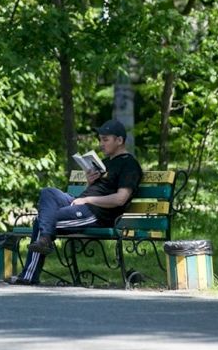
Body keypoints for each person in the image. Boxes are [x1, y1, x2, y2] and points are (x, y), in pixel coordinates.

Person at [9, 119, 142, 285]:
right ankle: (45, 239)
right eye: (100, 139)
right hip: (81, 205)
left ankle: (30, 272)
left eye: (105, 139)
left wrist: (87, 199)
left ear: (120, 140)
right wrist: (90, 182)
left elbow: (120, 199)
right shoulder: (105, 163)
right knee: (48, 192)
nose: (101, 144)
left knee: (42, 220)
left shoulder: (129, 164)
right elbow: (96, 190)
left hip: (96, 214)